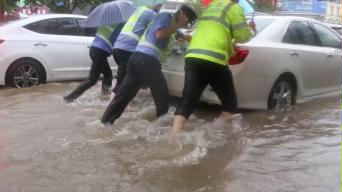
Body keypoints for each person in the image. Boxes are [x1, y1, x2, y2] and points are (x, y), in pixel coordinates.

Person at [101, 6, 198, 124]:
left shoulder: (171, 25)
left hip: (137, 59)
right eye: (188, 20)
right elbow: (159, 34)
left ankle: (104, 123)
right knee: (162, 98)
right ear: (183, 14)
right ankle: (160, 130)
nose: (187, 24)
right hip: (148, 60)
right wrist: (178, 25)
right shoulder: (166, 16)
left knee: (123, 96)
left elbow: (186, 37)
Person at [172, 0, 256, 133]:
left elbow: (214, 34)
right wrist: (251, 29)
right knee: (229, 101)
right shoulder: (234, 7)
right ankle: (227, 137)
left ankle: (174, 136)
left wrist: (230, 43)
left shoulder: (211, 6)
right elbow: (243, 36)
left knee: (187, 100)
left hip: (193, 58)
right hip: (214, 60)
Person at [63, 22, 123, 102]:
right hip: (100, 52)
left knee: (108, 74)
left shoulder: (109, 22)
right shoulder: (120, 25)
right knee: (92, 80)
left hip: (94, 49)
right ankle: (70, 97)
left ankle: (105, 95)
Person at [111, 3, 162, 94]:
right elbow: (163, 25)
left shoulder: (139, 11)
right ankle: (117, 100)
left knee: (123, 78)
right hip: (127, 50)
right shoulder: (151, 14)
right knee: (127, 81)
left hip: (117, 48)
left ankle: (115, 96)